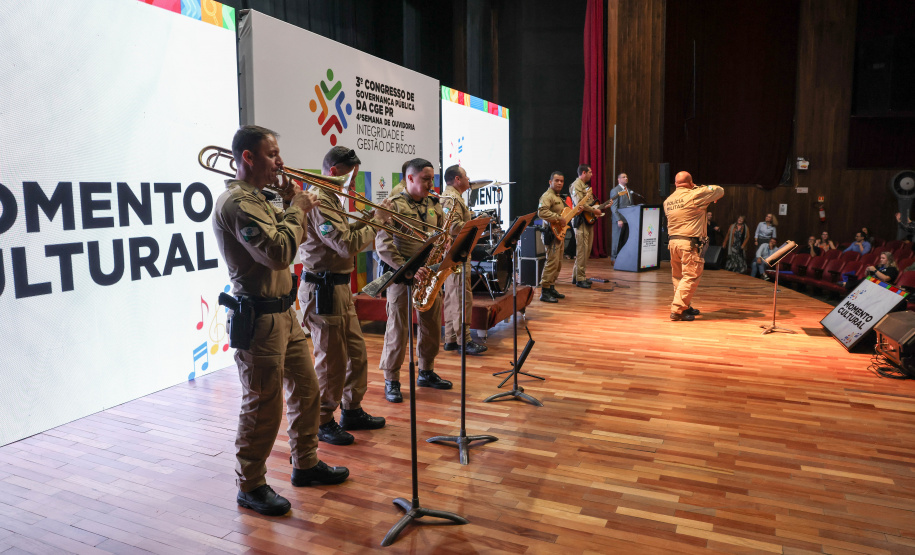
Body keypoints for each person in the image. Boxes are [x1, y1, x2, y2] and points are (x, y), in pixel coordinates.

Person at [212, 125, 348, 517]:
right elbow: (278, 253)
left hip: (284, 313)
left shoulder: (262, 198)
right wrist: (299, 208)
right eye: (272, 154)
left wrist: (289, 202)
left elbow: (281, 236)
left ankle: (305, 464)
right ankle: (250, 484)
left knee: (307, 391)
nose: (281, 162)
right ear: (248, 158)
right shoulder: (237, 203)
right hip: (258, 319)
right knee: (262, 406)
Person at [297, 146, 394, 446]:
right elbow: (345, 245)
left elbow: (343, 232)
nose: (352, 183)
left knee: (356, 354)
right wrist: (376, 223)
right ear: (336, 171)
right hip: (322, 290)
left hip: (338, 288)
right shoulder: (319, 201)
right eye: (350, 175)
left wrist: (368, 217)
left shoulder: (332, 200)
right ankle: (323, 419)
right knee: (331, 362)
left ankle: (351, 410)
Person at [375, 158, 453, 403]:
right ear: (409, 178)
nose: (431, 184)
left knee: (431, 326)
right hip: (402, 276)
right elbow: (383, 245)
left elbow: (441, 234)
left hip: (428, 274)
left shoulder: (434, 204)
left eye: (432, 178)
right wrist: (406, 268)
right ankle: (392, 379)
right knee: (398, 329)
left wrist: (446, 243)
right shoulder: (394, 206)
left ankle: (426, 371)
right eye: (425, 179)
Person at [663, 171, 724, 321]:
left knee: (678, 277)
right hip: (689, 245)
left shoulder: (668, 201)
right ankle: (677, 309)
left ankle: (685, 307)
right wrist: (698, 188)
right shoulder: (694, 194)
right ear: (691, 182)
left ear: (676, 183)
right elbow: (719, 190)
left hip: (673, 244)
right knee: (691, 276)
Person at [441, 165, 487, 355]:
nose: (469, 179)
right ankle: (464, 341)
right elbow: (452, 227)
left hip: (455, 252)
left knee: (453, 295)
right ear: (457, 179)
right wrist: (477, 223)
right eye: (466, 176)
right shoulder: (451, 198)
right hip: (457, 253)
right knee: (461, 297)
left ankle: (451, 339)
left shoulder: (453, 196)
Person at [538, 171, 567, 303]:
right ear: (550, 182)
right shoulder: (547, 196)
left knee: (558, 263)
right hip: (551, 234)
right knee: (551, 263)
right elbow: (542, 212)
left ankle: (551, 287)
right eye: (556, 180)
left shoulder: (558, 196)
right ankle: (545, 291)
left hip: (559, 234)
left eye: (561, 181)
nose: (559, 183)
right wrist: (558, 218)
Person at [570, 164, 602, 288]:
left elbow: (589, 203)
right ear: (583, 173)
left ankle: (576, 276)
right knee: (582, 250)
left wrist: (598, 208)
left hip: (588, 221)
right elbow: (580, 204)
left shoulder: (585, 186)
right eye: (590, 172)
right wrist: (594, 211)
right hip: (581, 222)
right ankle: (580, 279)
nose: (591, 175)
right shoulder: (576, 185)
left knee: (586, 250)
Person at [609, 173, 633, 261]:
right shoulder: (615, 190)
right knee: (617, 240)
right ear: (618, 179)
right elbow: (613, 207)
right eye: (624, 177)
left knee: (625, 240)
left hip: (627, 220)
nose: (626, 178)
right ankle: (614, 259)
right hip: (619, 220)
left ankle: (622, 258)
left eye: (626, 177)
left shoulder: (629, 190)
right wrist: (618, 219)